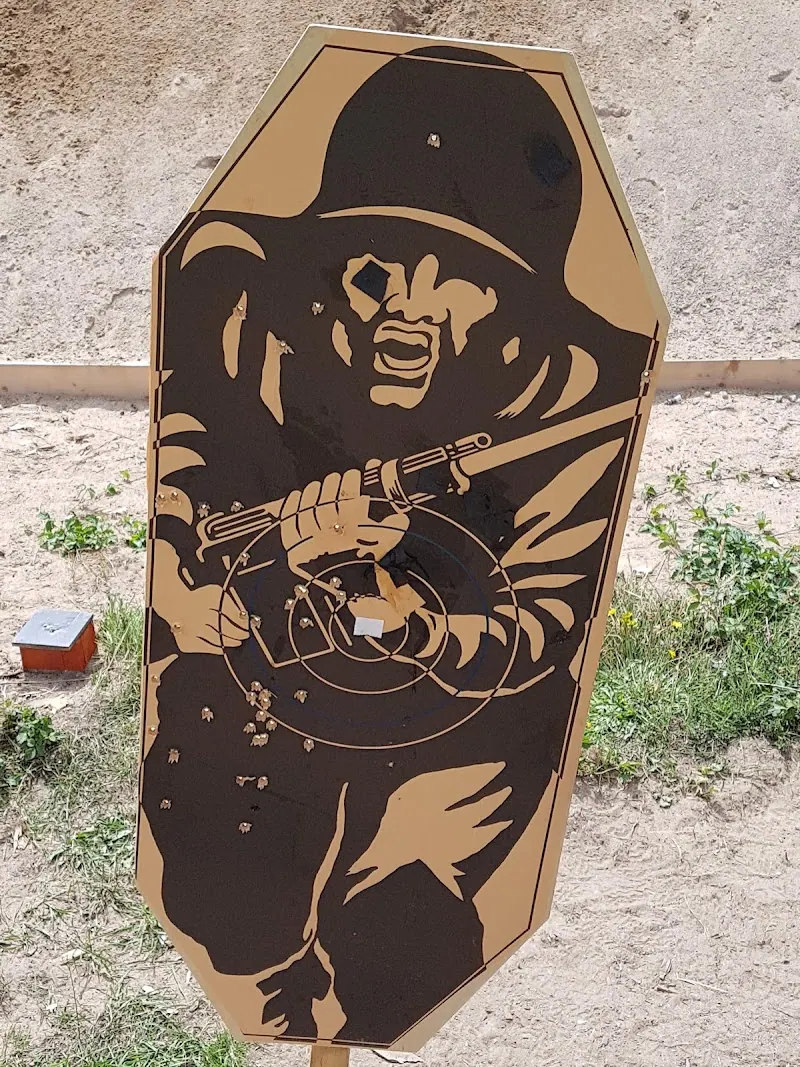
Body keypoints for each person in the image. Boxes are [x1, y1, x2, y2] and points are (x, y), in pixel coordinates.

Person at [141, 44, 654, 1045]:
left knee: (400, 932)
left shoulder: (572, 404)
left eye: (459, 278)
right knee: (232, 910)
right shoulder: (255, 316)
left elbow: (540, 623)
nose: (406, 309)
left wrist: (410, 614)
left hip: (457, 722)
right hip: (268, 689)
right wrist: (210, 583)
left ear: (523, 302)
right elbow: (187, 466)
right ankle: (274, 973)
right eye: (374, 264)